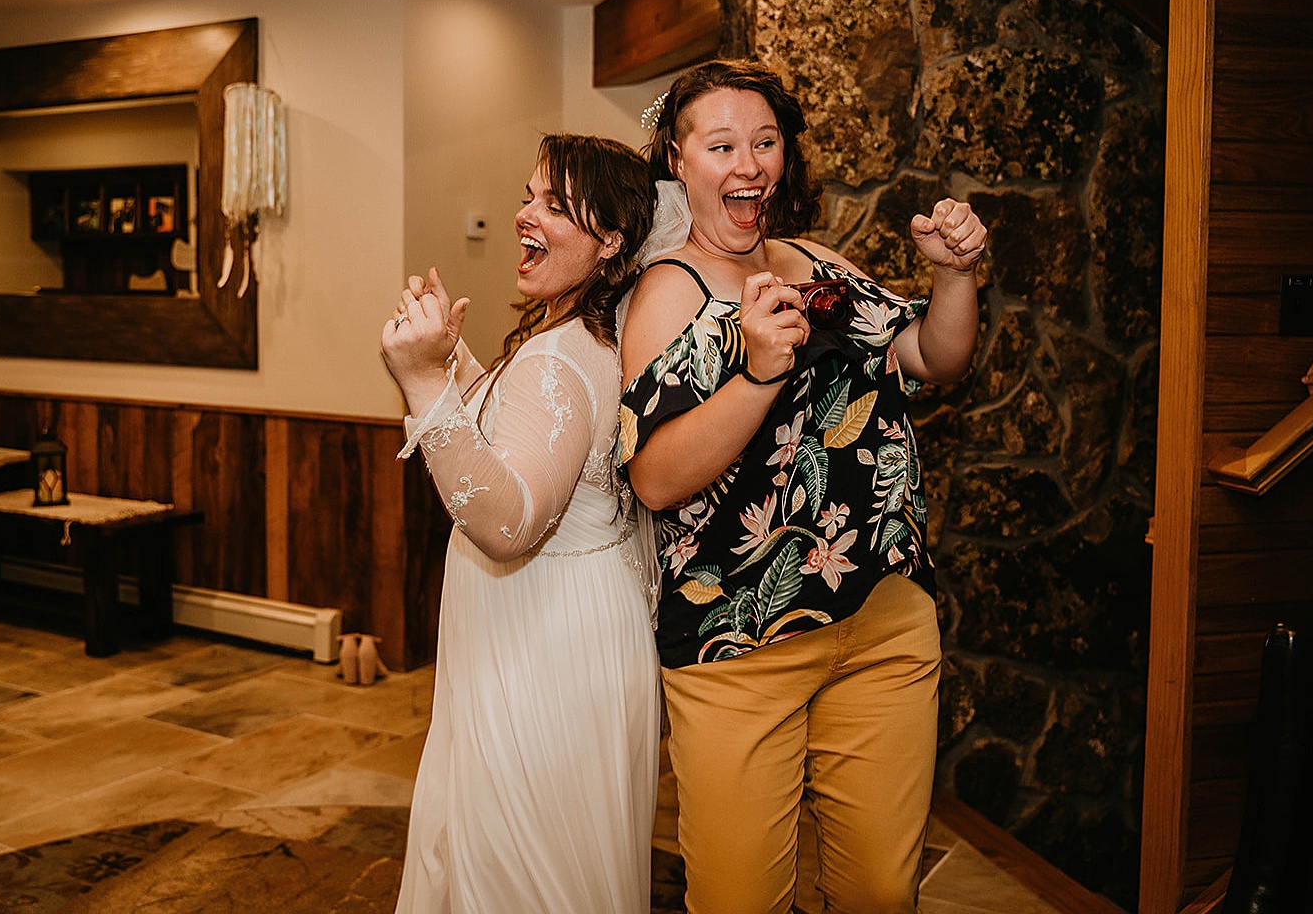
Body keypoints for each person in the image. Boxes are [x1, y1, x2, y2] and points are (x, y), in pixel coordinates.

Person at [618, 59, 987, 914]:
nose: (747, 165)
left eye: (764, 142)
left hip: (884, 624)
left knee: (881, 891)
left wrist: (955, 274)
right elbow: (655, 480)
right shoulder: (666, 296)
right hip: (739, 647)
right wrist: (754, 375)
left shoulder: (816, 263)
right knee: (740, 899)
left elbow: (937, 356)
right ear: (680, 161)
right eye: (720, 145)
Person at [382, 133, 661, 913]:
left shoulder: (557, 356)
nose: (522, 215)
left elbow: (507, 522)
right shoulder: (594, 338)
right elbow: (527, 438)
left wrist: (418, 381)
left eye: (552, 203)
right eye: (529, 195)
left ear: (611, 240)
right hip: (574, 627)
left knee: (519, 871)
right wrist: (455, 367)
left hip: (543, 643)